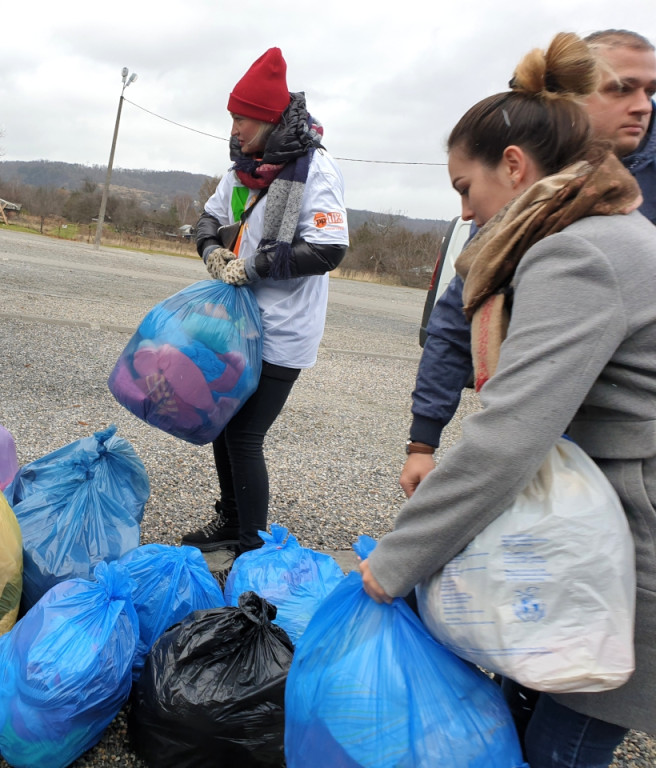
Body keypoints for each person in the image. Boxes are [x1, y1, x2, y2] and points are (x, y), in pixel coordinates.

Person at [360, 32, 656, 768]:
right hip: (600, 510)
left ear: (515, 166)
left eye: (466, 187)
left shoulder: (577, 250)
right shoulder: (593, 226)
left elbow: (510, 434)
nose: (464, 210)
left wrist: (396, 561)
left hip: (636, 530)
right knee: (531, 713)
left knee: (566, 742)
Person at [400, 28, 656, 498]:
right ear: (571, 97)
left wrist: (401, 560)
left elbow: (512, 433)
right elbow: (459, 317)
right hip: (558, 456)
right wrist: (423, 438)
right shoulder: (523, 209)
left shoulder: (594, 239)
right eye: (621, 87)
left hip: (623, 469)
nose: (643, 106)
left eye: (650, 91)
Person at [180, 47, 348, 558]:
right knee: (221, 422)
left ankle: (251, 546)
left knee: (245, 433)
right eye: (231, 118)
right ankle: (231, 521)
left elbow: (328, 248)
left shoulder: (314, 169)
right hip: (236, 321)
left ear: (271, 118)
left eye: (243, 119)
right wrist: (211, 250)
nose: (234, 129)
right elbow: (210, 218)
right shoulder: (242, 167)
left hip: (283, 330)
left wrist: (252, 266)